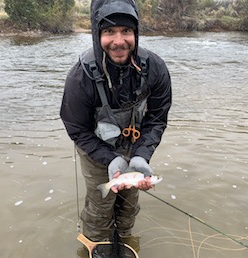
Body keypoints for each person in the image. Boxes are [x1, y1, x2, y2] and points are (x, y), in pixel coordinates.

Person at [60, 0, 172, 242]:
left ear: (136, 34)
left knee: (129, 202)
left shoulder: (155, 68)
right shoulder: (80, 76)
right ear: (97, 34)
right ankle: (96, 243)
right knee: (101, 204)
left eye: (126, 31)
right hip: (94, 148)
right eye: (109, 31)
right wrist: (110, 158)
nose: (119, 41)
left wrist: (142, 154)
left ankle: (123, 237)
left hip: (134, 144)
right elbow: (77, 129)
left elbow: (157, 119)